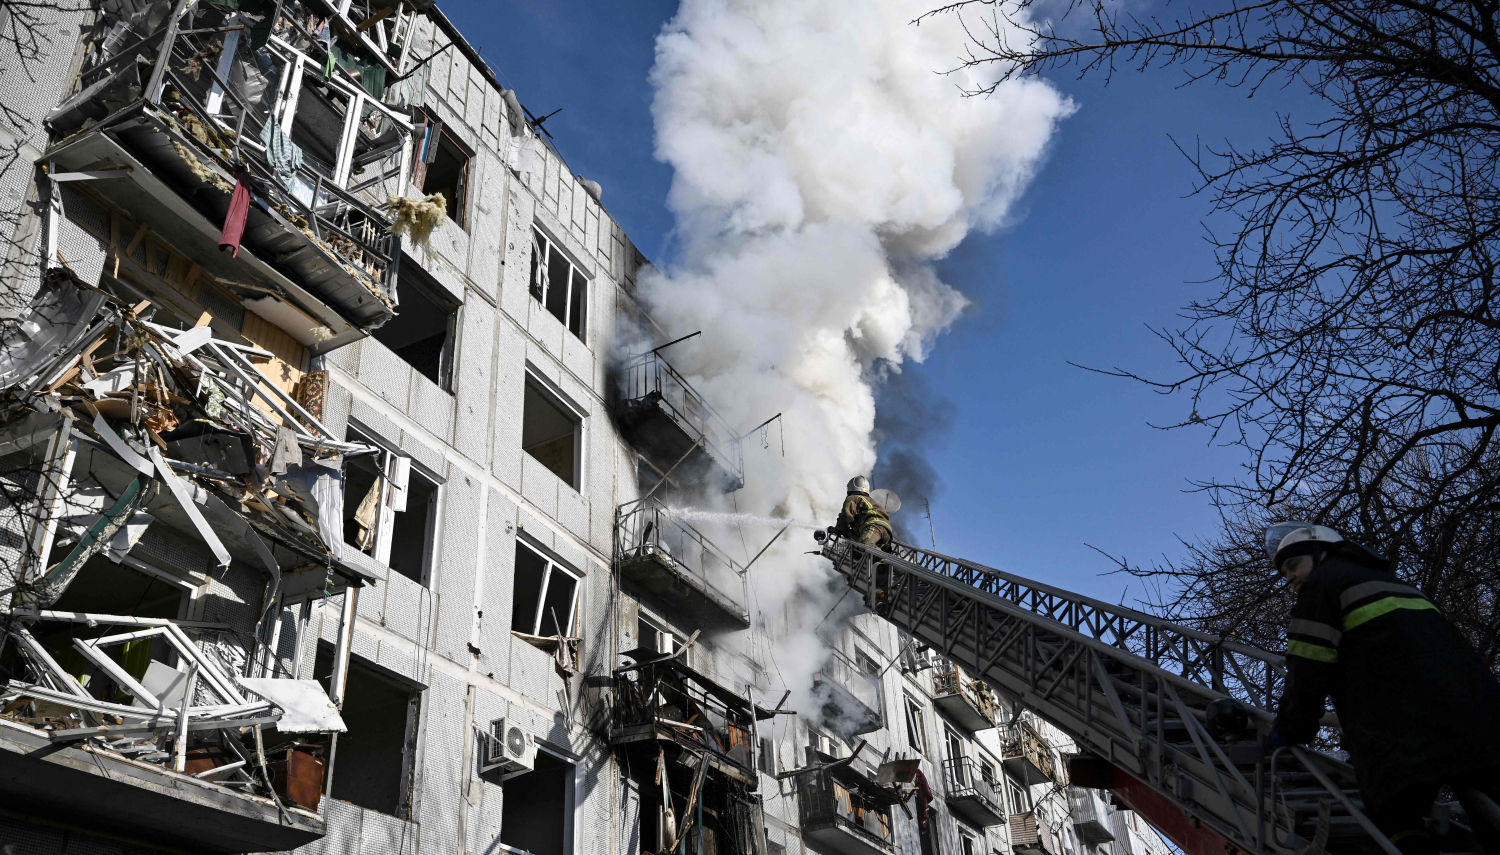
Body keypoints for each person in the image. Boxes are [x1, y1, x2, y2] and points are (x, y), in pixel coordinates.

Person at [1265, 521, 1500, 855]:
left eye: (1292, 564)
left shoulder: (1321, 586)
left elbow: (1307, 667)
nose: (1288, 578)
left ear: (1322, 554)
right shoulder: (1400, 585)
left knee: (1397, 818)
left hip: (1400, 730)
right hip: (1479, 718)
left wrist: (1290, 728)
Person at [835, 475, 893, 550]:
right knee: (859, 553)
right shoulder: (870, 501)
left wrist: (839, 528)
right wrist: (848, 533)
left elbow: (846, 515)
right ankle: (883, 551)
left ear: (850, 488)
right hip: (887, 532)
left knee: (864, 545)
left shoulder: (853, 498)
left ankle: (883, 559)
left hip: (874, 527)